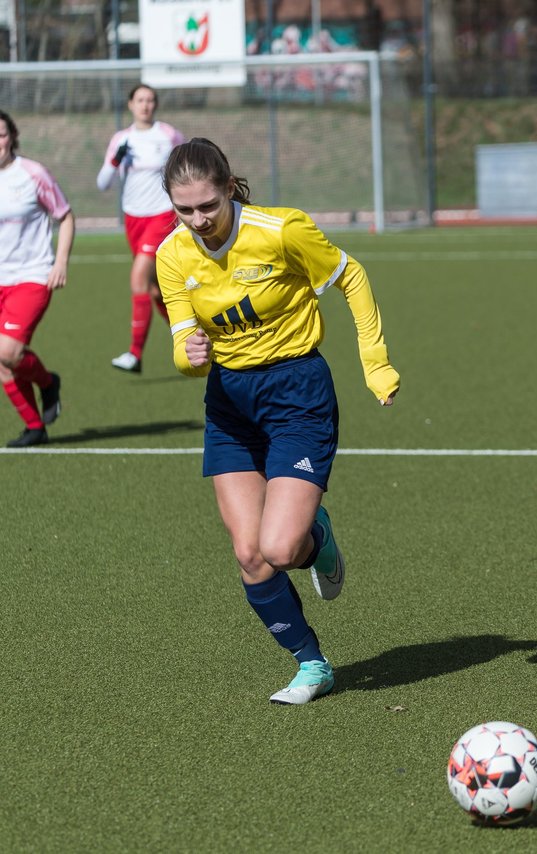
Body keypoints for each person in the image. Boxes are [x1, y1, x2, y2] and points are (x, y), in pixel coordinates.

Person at [156, 138, 400, 705]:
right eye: (184, 210)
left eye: (208, 206)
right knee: (250, 553)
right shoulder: (172, 255)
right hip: (230, 406)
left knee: (282, 549)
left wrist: (376, 364)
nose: (198, 221)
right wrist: (185, 357)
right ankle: (312, 664)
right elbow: (181, 344)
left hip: (296, 392)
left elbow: (352, 277)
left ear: (228, 188)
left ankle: (318, 536)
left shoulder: (281, 229)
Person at [97, 84, 185, 373]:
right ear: (130, 105)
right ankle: (192, 339)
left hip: (162, 217)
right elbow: (102, 183)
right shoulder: (121, 139)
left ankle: (135, 354)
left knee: (138, 280)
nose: (145, 105)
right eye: (140, 100)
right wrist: (115, 159)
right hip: (133, 219)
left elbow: (187, 170)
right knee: (155, 291)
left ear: (155, 104)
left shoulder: (169, 135)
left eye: (150, 100)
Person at [0, 110, 73, 448]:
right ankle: (34, 426)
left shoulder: (32, 174)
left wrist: (60, 261)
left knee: (8, 352)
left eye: (1, 134)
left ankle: (47, 383)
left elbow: (65, 215)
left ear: (12, 136)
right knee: (3, 361)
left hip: (30, 276)